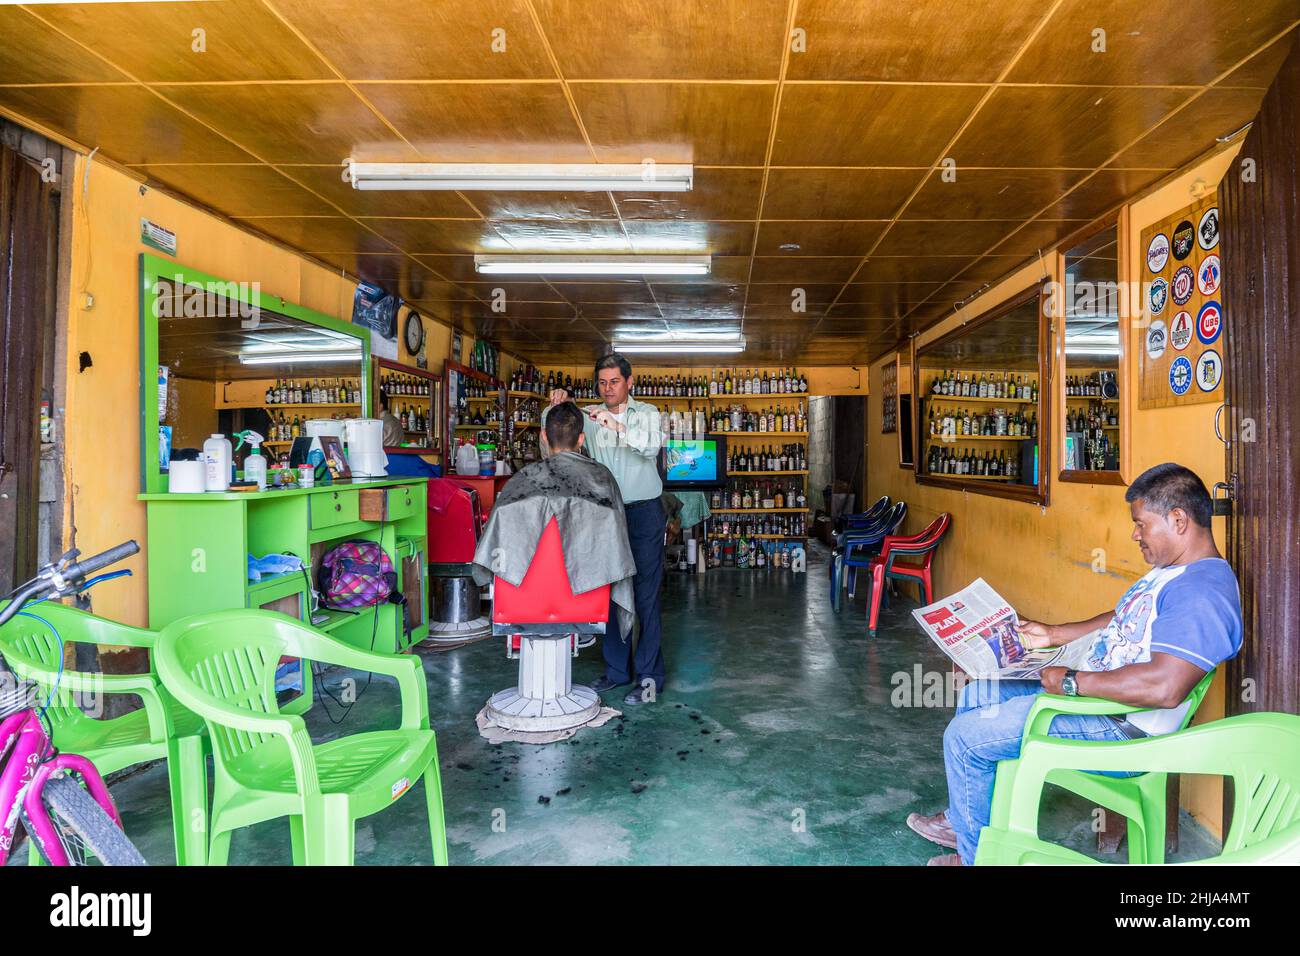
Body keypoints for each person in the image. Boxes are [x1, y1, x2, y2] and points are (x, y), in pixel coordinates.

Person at [906, 462, 1242, 865]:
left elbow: (1165, 688)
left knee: (964, 737)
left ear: (1178, 519)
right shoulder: (1172, 572)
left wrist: (1071, 682)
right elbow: (1123, 620)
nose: (1135, 534)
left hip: (1121, 727)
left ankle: (978, 858)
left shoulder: (1201, 592)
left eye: (1141, 524)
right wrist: (1054, 635)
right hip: (1101, 702)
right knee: (979, 691)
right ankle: (968, 826)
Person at [543, 353, 665, 706]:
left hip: (644, 513)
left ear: (630, 382)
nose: (608, 388)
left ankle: (649, 676)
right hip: (606, 514)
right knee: (611, 592)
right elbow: (553, 427)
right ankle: (617, 672)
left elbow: (651, 446)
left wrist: (616, 426)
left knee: (646, 596)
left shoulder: (647, 414)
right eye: (602, 382)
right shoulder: (588, 417)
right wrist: (558, 401)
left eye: (614, 381)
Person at [472, 401, 637, 649]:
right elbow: (616, 544)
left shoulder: (522, 481)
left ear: (544, 436)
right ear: (581, 439)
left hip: (523, 598)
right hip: (587, 594)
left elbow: (498, 538)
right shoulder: (602, 479)